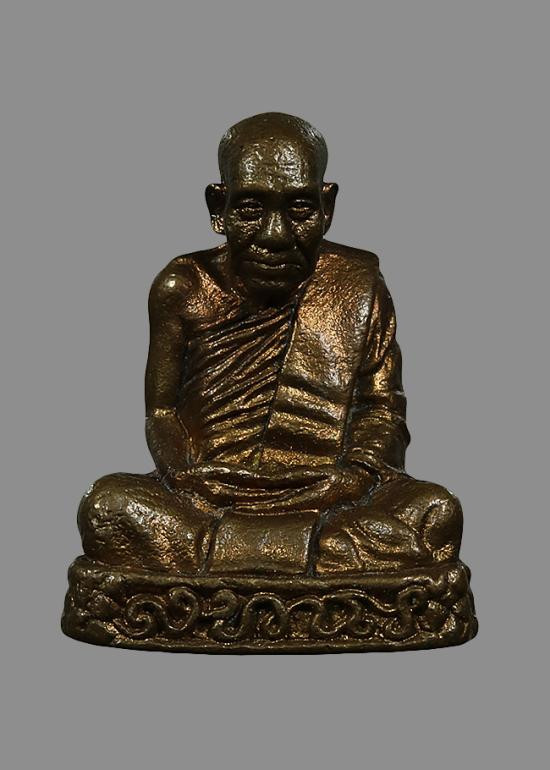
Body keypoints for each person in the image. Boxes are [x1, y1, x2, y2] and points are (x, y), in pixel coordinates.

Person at [77, 112, 462, 577]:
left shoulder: (356, 284)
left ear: (327, 206)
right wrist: (183, 477)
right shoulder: (183, 287)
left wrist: (356, 476)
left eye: (299, 209)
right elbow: (161, 412)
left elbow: (382, 412)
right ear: (218, 206)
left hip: (326, 493)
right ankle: (310, 560)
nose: (274, 235)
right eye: (250, 209)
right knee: (108, 507)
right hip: (210, 492)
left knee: (435, 511)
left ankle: (219, 559)